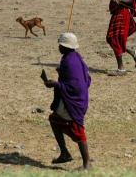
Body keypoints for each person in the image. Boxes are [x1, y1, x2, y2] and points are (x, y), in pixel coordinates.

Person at [40, 32, 91, 170]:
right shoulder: (74, 57)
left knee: (77, 129)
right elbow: (85, 78)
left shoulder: (69, 61)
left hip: (73, 101)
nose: (59, 47)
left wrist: (55, 84)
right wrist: (61, 73)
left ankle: (87, 164)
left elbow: (75, 85)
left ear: (64, 46)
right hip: (76, 98)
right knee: (54, 119)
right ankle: (64, 153)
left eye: (60, 45)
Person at [97, 0, 136, 76]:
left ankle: (121, 69)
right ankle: (132, 52)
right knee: (111, 38)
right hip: (116, 11)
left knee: (113, 38)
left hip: (123, 12)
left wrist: (120, 0)